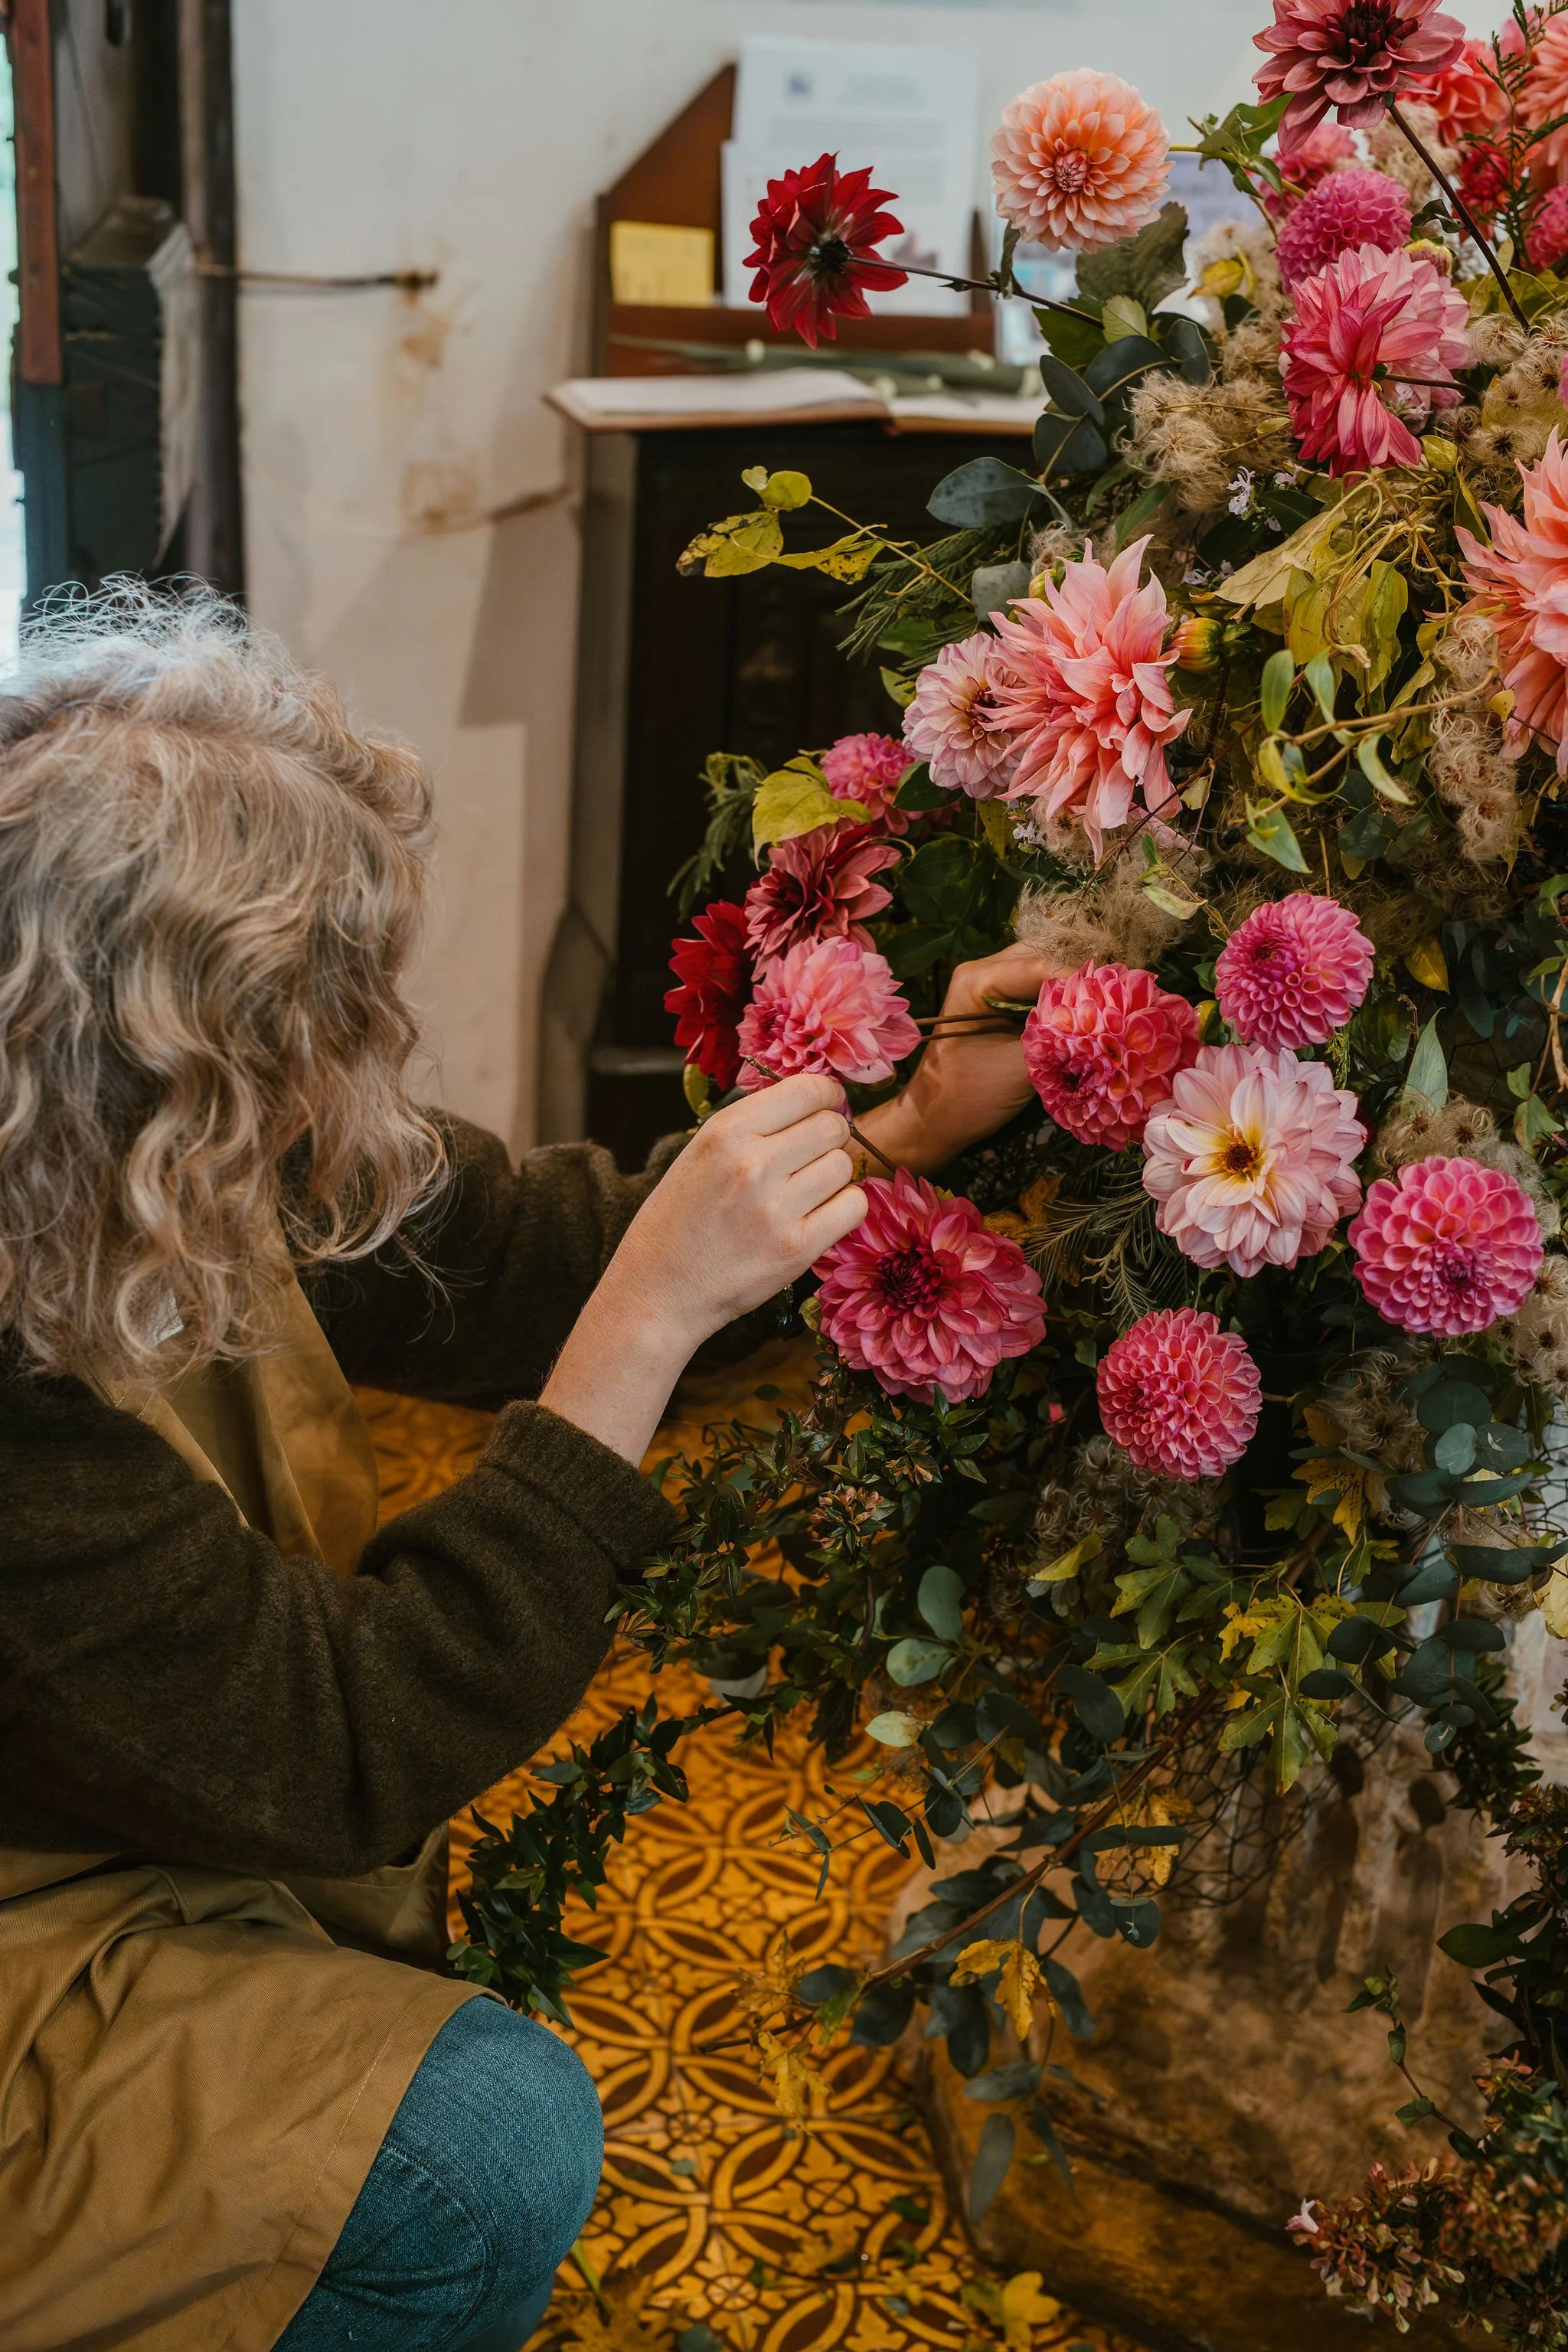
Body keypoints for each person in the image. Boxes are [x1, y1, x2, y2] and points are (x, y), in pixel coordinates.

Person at [0, 587, 1051, 2352]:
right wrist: (639, 1340)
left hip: (120, 1781)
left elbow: (484, 1244)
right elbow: (339, 1747)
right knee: (473, 2150)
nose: (347, 1081)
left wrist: (892, 1131)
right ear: (150, 1065)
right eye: (301, 1036)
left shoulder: (104, 1134)